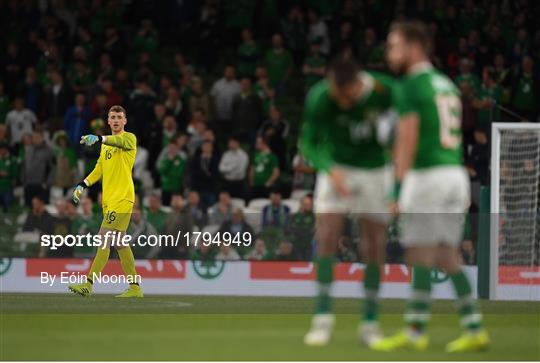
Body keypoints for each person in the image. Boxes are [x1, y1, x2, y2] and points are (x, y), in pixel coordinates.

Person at [373, 20, 489, 353]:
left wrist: (395, 191)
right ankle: (473, 327)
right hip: (454, 174)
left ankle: (415, 331)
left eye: (394, 45)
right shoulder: (446, 84)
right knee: (446, 255)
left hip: (427, 177)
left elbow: (406, 140)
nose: (389, 52)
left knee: (418, 253)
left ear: (414, 46)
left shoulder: (411, 85)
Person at [301, 58, 394, 347]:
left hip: (375, 170)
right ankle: (322, 320)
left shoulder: (383, 90)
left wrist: (399, 180)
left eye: (346, 95)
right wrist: (329, 168)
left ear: (358, 84)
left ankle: (370, 323)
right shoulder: (320, 96)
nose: (341, 101)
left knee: (374, 243)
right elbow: (307, 143)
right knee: (326, 236)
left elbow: (406, 128)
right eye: (336, 95)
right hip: (337, 167)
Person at [68, 105, 143, 298]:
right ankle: (135, 287)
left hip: (123, 198)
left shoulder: (129, 138)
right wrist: (82, 184)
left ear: (124, 121)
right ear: (108, 121)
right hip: (109, 201)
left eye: (119, 117)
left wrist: (100, 137)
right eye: (113, 117)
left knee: (103, 238)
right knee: (120, 243)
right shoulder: (105, 145)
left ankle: (88, 284)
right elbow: (99, 169)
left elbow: (117, 141)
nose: (116, 120)